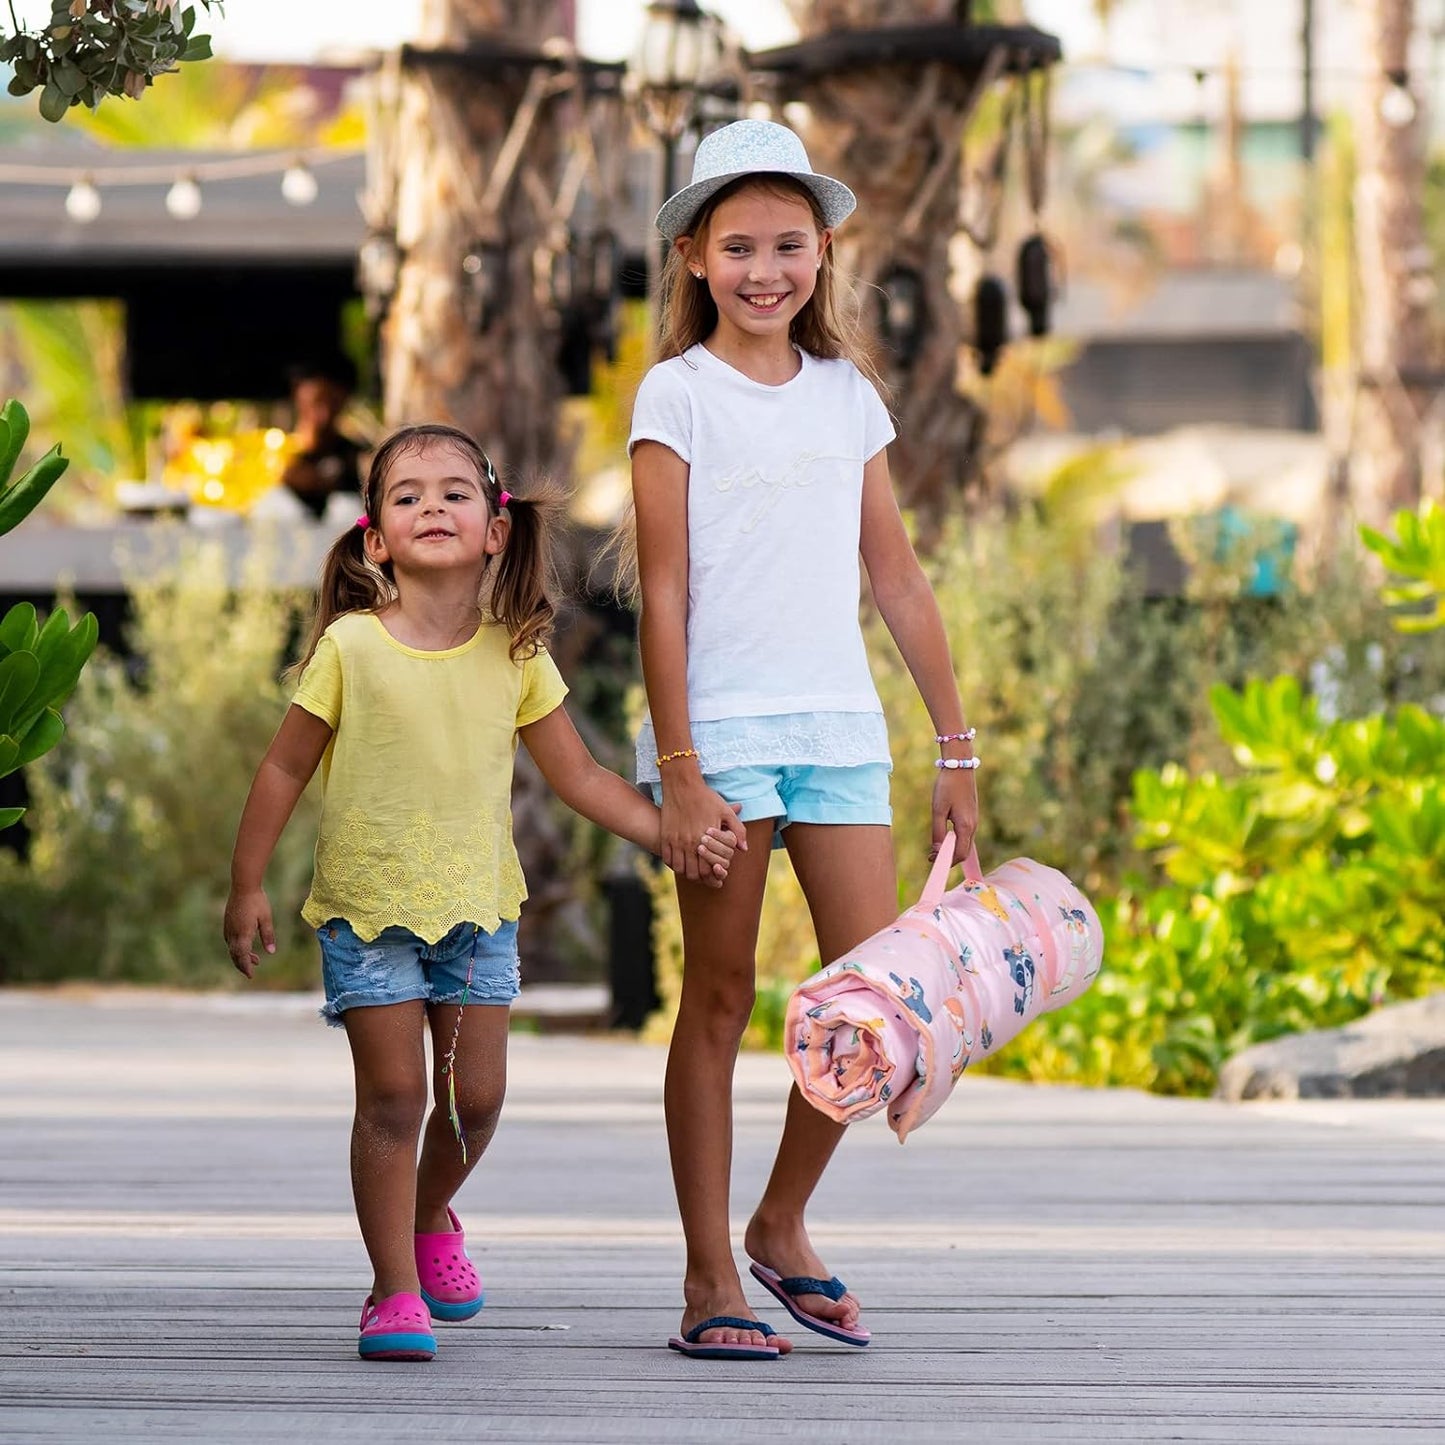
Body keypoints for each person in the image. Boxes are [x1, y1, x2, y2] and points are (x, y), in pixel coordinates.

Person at [223, 422, 742, 1364]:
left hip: (477, 913)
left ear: (496, 529)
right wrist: (246, 884)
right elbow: (280, 771)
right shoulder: (351, 646)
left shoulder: (517, 654)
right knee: (391, 1097)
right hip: (365, 910)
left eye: (455, 492)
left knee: (478, 1100)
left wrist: (672, 828)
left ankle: (430, 1214)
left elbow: (581, 778)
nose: (432, 506)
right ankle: (393, 1289)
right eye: (407, 494)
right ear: (374, 537)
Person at [627, 119, 981, 1360]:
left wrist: (954, 748)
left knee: (869, 1006)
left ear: (822, 252)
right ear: (693, 260)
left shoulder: (849, 397)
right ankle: (705, 1270)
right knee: (717, 996)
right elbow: (661, 592)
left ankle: (780, 1219)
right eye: (737, 247)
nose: (763, 269)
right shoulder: (675, 393)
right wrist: (676, 771)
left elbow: (897, 577)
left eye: (786, 245)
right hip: (719, 732)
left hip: (837, 729)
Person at [278, 356, 366, 519]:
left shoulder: (356, 457)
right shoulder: (274, 454)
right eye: (316, 402)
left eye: (333, 403)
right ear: (297, 394)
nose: (324, 415)